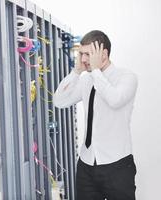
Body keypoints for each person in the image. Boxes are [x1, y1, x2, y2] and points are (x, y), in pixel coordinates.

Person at [53, 30, 138, 200]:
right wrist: (76, 72)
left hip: (117, 165)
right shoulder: (86, 80)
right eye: (81, 54)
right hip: (86, 164)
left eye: (88, 54)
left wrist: (97, 72)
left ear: (103, 54)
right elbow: (59, 101)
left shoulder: (127, 77)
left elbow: (115, 100)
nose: (84, 59)